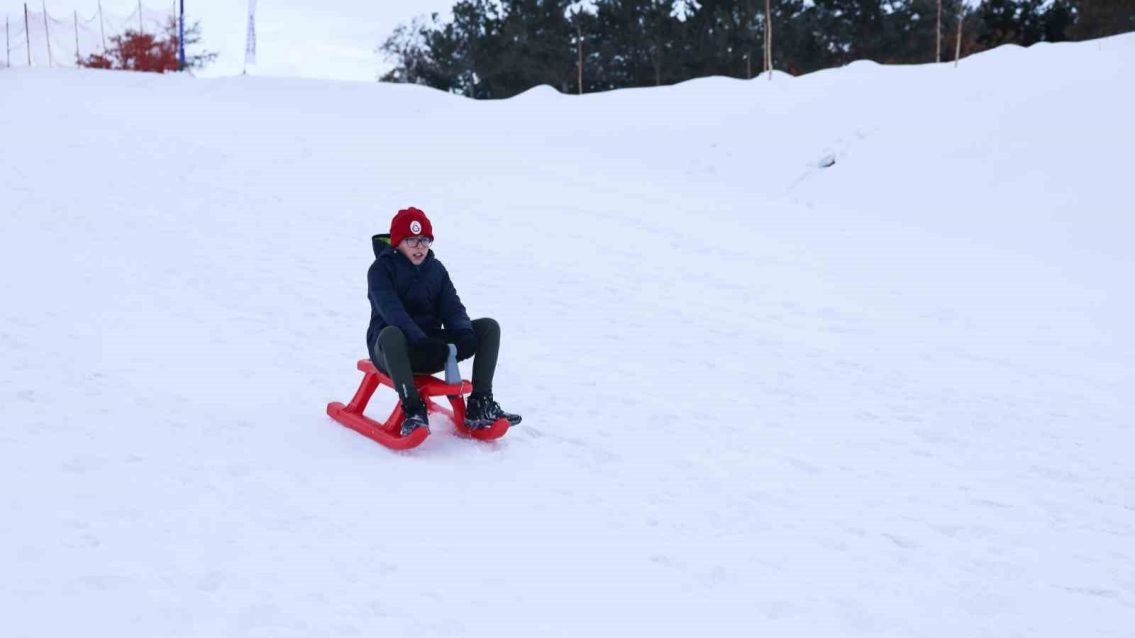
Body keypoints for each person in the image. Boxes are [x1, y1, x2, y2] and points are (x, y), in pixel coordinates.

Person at [367, 206, 521, 437]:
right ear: (397, 242)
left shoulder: (436, 270)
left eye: (425, 240)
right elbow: (393, 313)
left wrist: (464, 333)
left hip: (430, 347)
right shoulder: (380, 270)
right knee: (392, 333)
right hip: (391, 350)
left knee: (488, 328)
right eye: (412, 240)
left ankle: (480, 403)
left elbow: (452, 307)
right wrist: (420, 340)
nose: (420, 247)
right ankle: (413, 409)